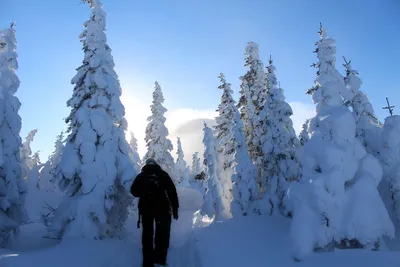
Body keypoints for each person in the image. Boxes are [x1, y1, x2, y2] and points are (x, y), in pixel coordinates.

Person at [130, 158, 179, 267]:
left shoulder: (141, 176)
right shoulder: (162, 174)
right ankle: (160, 260)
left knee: (147, 234)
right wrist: (175, 208)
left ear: (146, 165)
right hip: (162, 208)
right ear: (156, 165)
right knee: (162, 234)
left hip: (146, 209)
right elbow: (172, 191)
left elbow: (134, 191)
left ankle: (147, 262)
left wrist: (144, 191)